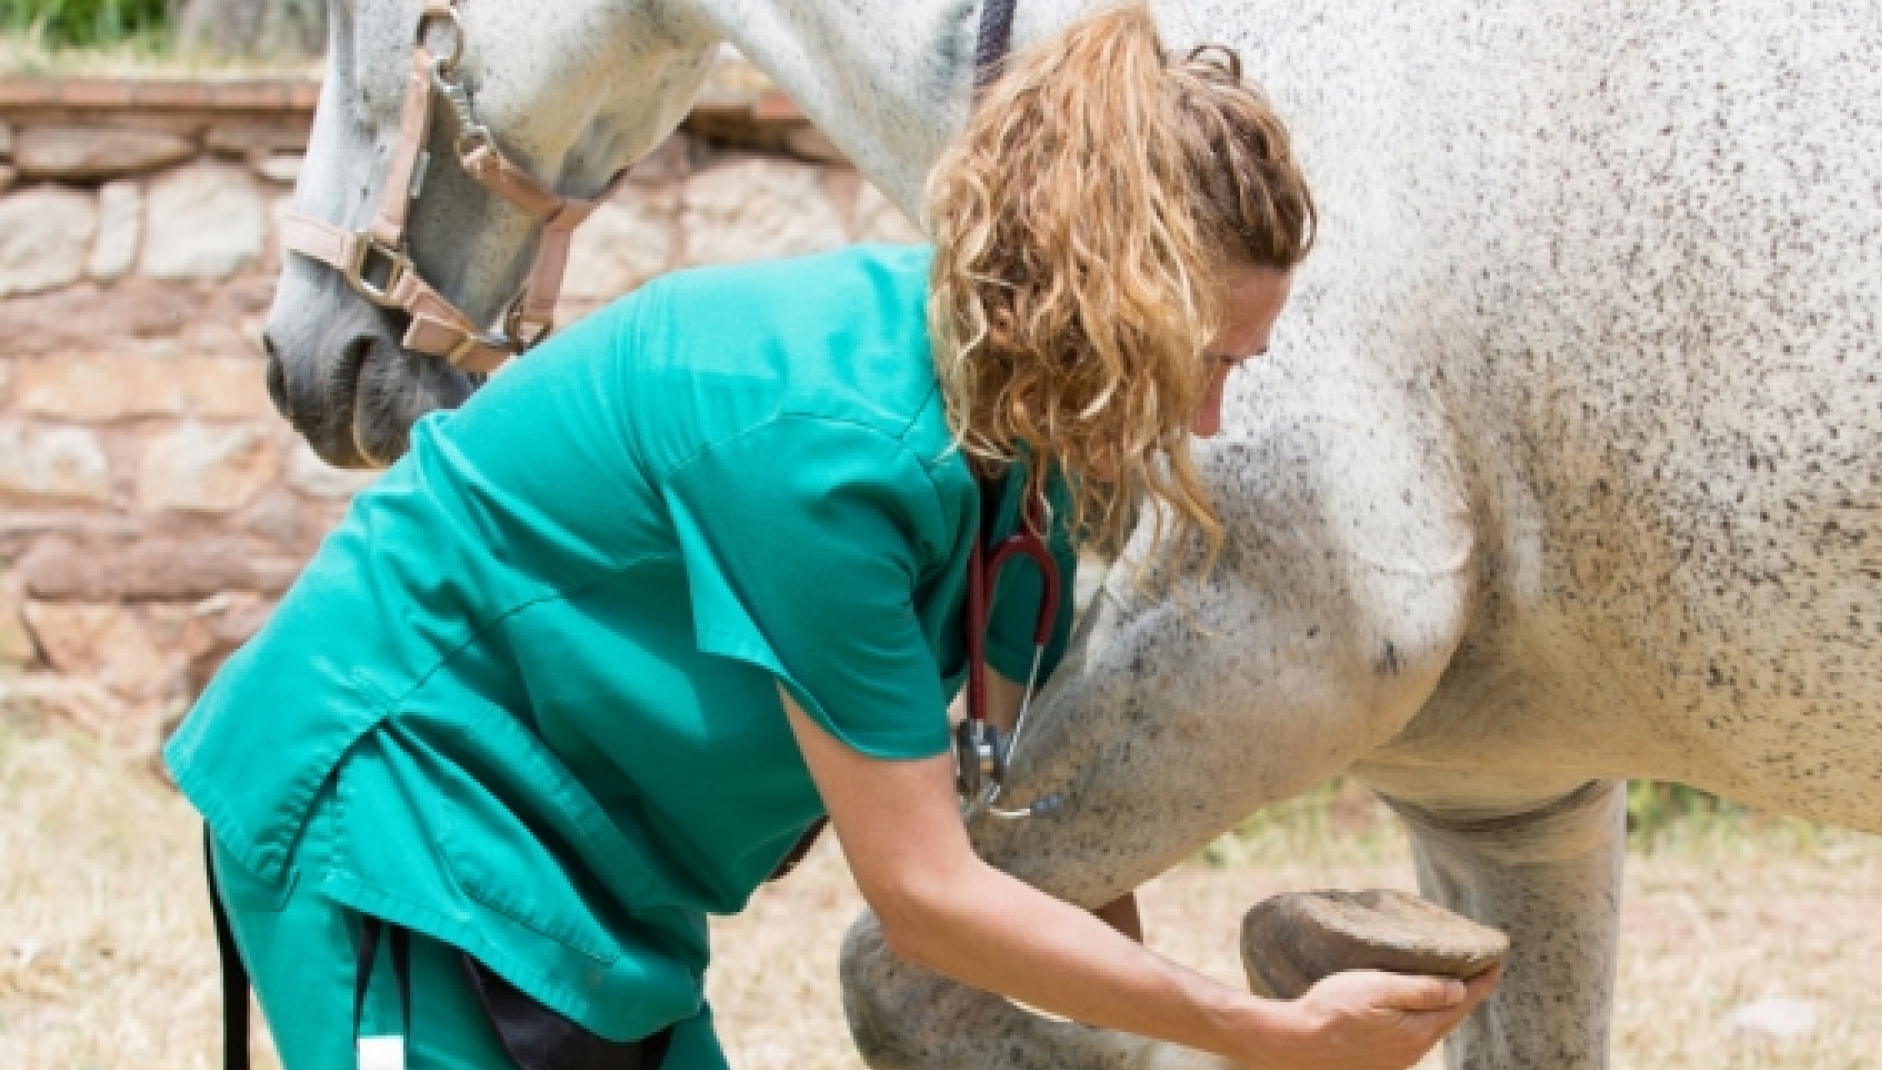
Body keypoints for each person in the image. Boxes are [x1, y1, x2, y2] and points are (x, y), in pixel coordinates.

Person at [167, 6, 1499, 1070]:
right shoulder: (825, 438)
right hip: (400, 816)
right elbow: (924, 895)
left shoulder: (1019, 450)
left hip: (605, 892)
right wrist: (1254, 1033)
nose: (1208, 415)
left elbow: (1004, 810)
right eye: (1203, 358)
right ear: (1114, 305)